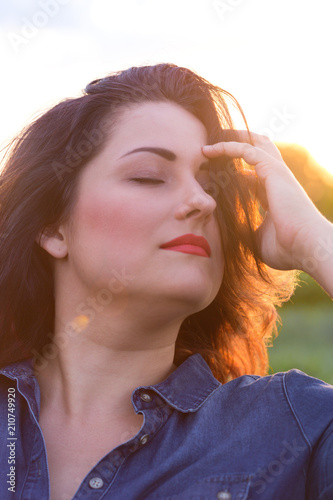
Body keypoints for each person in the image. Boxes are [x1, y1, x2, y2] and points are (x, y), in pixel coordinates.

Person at [0, 63, 332, 500]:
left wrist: (316, 243)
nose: (201, 201)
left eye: (212, 186)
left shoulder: (298, 425)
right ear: (53, 227)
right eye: (149, 176)